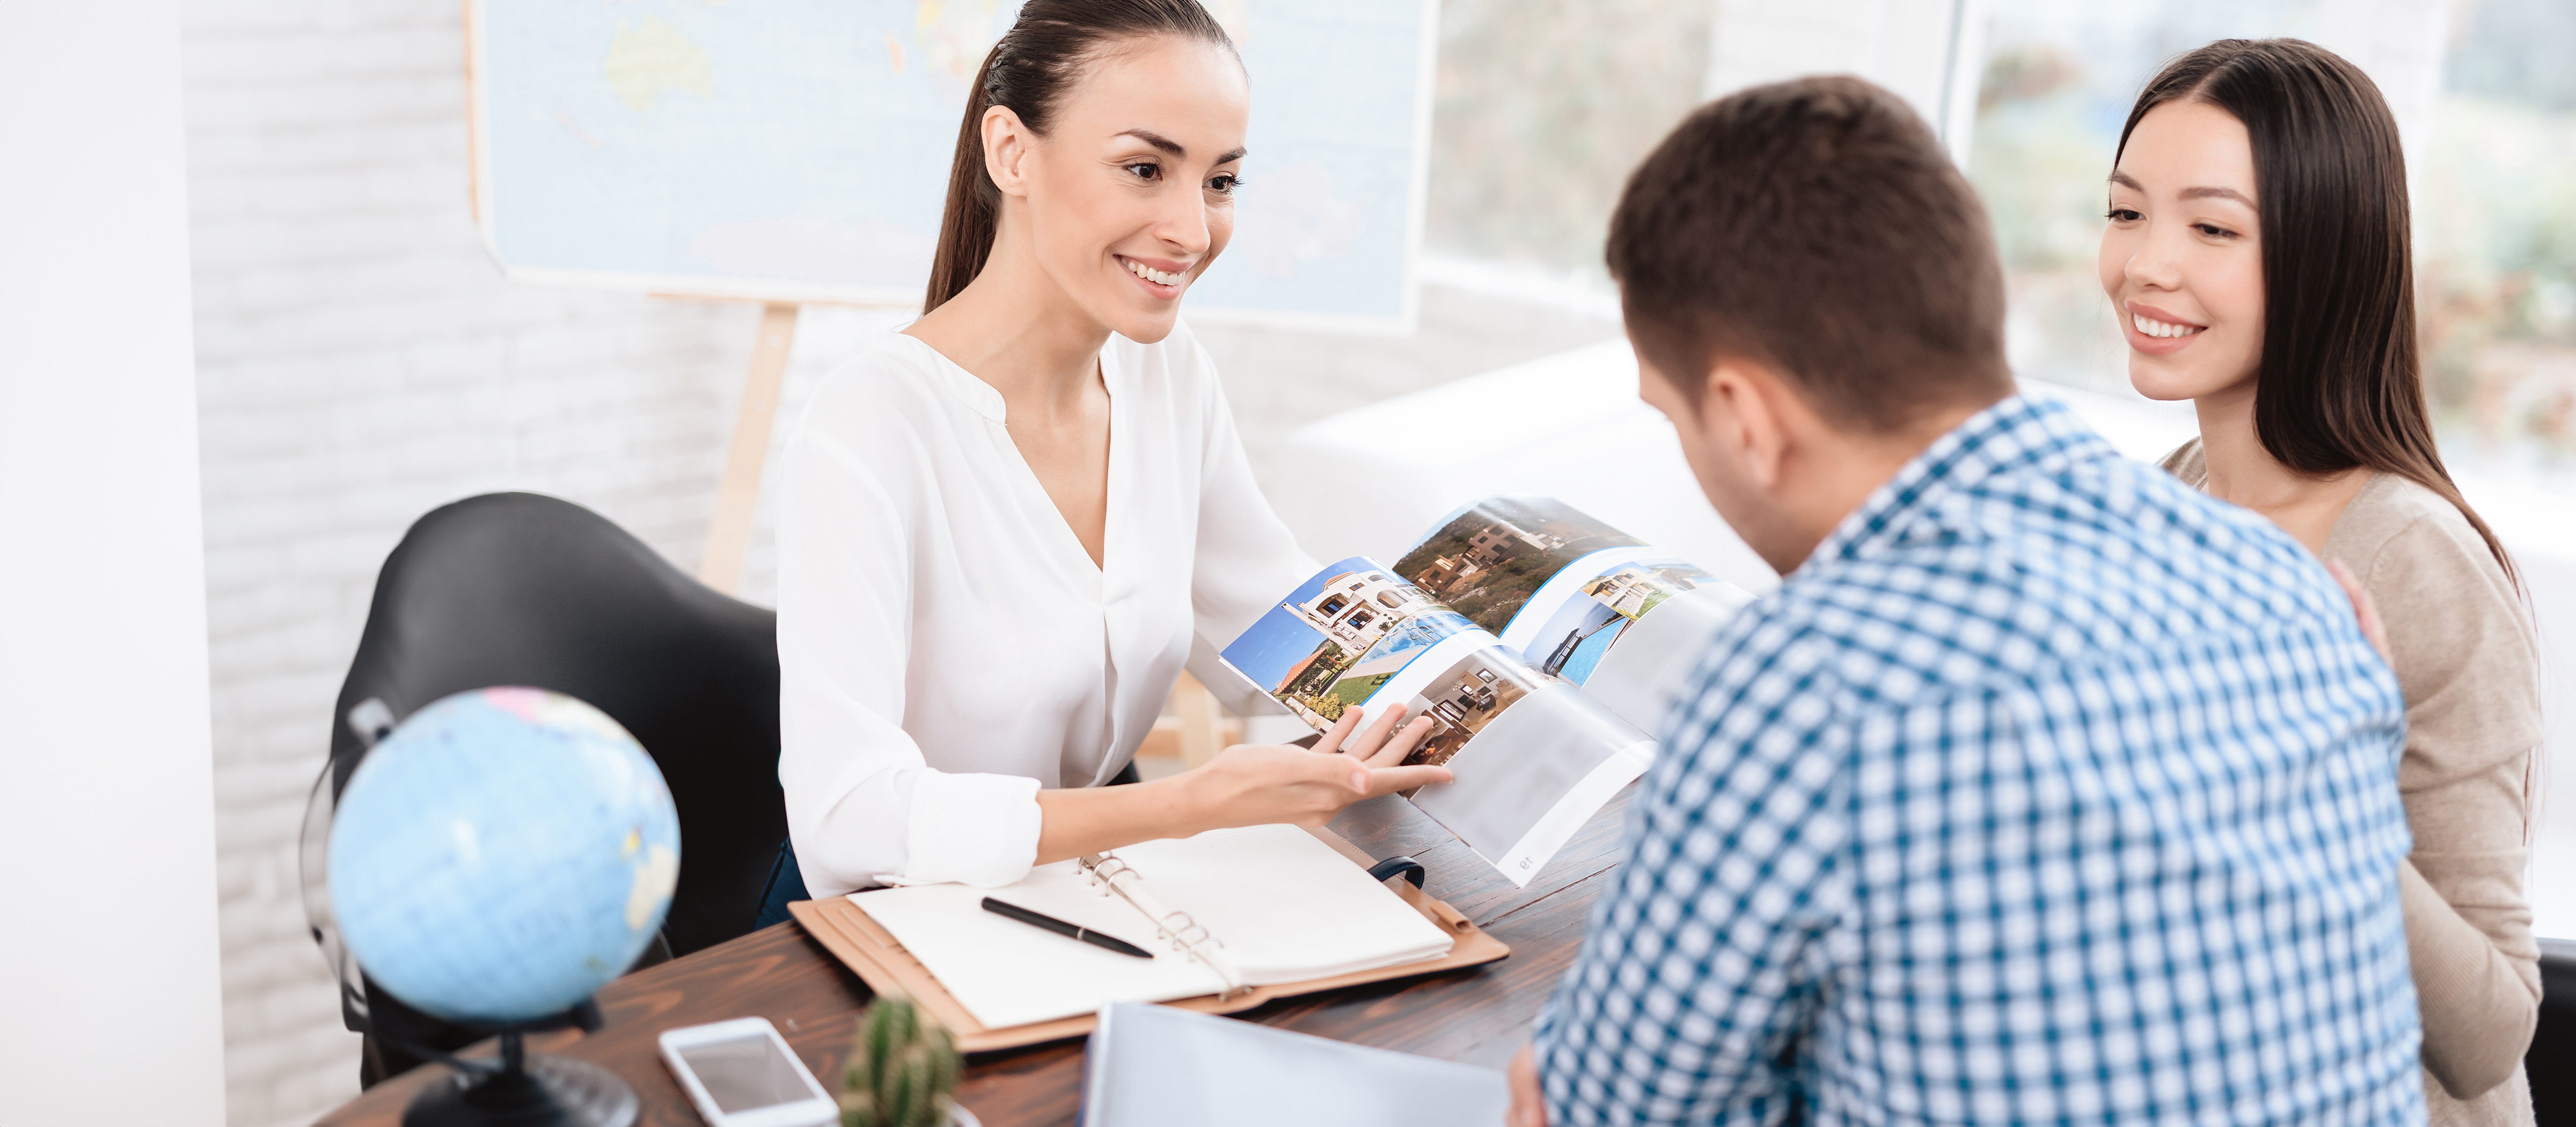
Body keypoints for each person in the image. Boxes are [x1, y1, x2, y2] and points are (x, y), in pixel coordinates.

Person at [1506, 76, 2426, 1125]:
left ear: (1744, 415)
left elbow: (1595, 1108)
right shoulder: (2290, 588)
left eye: (1673, 415)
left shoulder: (1810, 677)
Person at [773, 0, 1447, 898]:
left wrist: (1501, 665)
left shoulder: (1165, 373)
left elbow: (1279, 619)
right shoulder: (870, 422)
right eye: (1144, 169)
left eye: (1220, 181)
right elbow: (845, 824)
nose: (1194, 230)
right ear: (1011, 152)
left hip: (1092, 891)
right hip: (893, 926)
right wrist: (1187, 806)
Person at [2103, 39, 2542, 1125]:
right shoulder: (2179, 492)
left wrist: (2321, 795)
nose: (2148, 263)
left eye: (2213, 228)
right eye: (2126, 212)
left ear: (2325, 258)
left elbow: (2492, 1030)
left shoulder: (2411, 556)